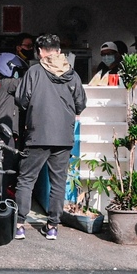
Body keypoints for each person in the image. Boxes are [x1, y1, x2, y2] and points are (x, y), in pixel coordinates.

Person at [13, 34, 87, 241]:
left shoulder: (34, 72)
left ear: (40, 52)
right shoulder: (72, 74)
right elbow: (81, 103)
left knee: (26, 179)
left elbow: (21, 100)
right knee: (58, 182)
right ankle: (53, 226)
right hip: (63, 137)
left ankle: (19, 225)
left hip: (37, 134)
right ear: (58, 50)